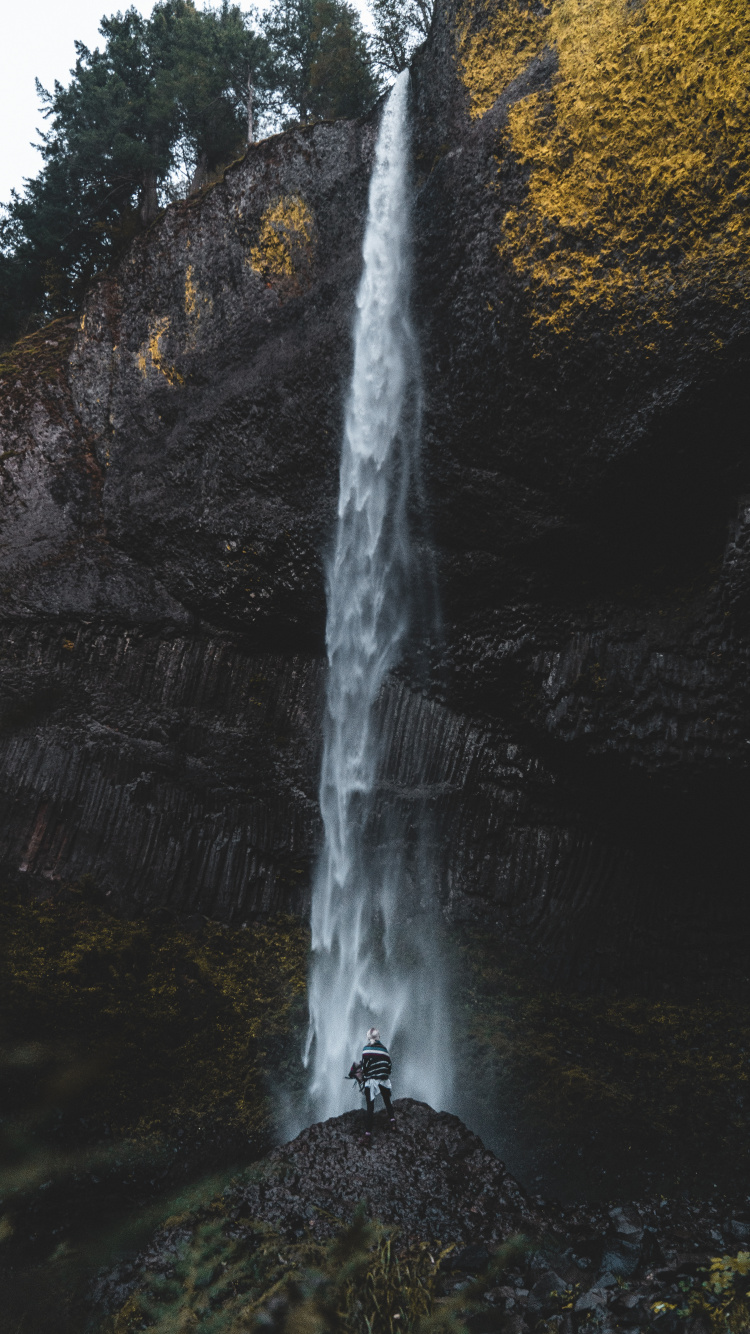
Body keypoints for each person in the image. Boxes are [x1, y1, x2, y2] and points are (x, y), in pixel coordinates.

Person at [360, 1026, 395, 1144]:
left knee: (370, 1107)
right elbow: (389, 1066)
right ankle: (393, 1122)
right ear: (378, 1037)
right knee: (387, 1101)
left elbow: (364, 1067)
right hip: (384, 1080)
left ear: (368, 1038)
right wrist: (383, 1074)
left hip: (371, 1082)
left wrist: (364, 1076)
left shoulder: (366, 1050)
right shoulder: (385, 1050)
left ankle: (367, 1135)